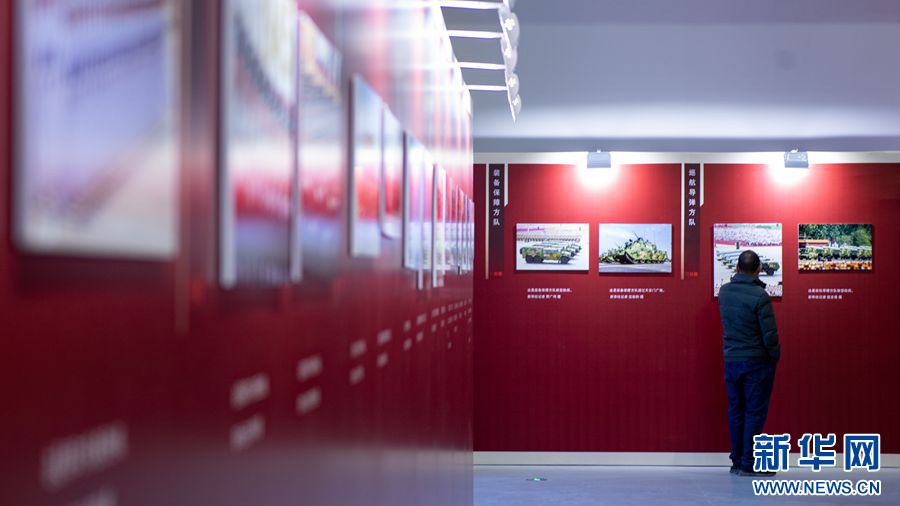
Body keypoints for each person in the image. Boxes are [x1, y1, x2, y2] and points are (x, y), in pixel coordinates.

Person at [717, 250, 780, 477]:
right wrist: (774, 356)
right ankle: (749, 463)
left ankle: (737, 461)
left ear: (736, 268)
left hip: (732, 360)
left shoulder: (724, 292)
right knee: (754, 412)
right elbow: (769, 335)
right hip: (756, 362)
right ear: (758, 269)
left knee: (736, 410)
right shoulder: (760, 296)